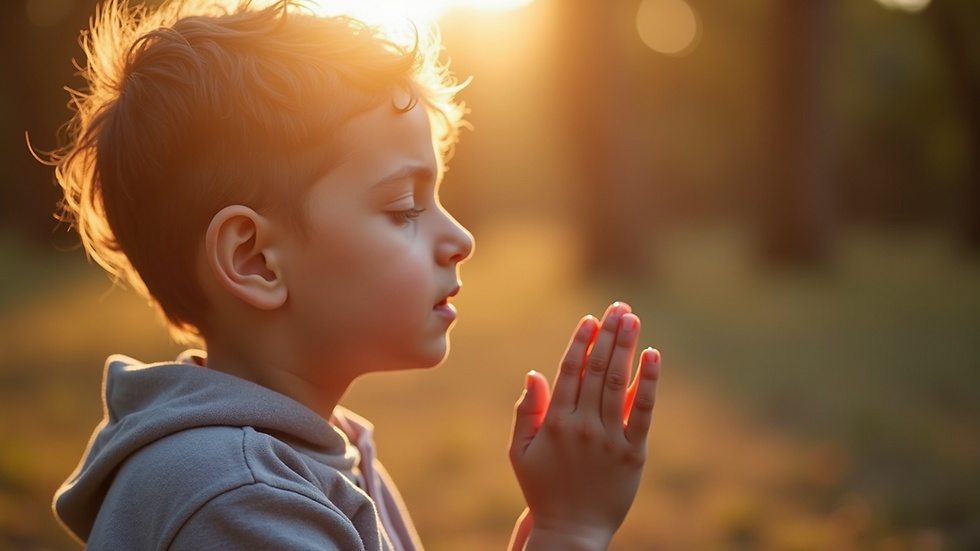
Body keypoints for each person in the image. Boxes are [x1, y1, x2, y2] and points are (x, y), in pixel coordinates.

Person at [45, 0, 663, 549]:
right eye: (404, 209)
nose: (461, 240)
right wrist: (571, 530)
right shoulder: (239, 499)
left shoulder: (314, 452)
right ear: (255, 260)